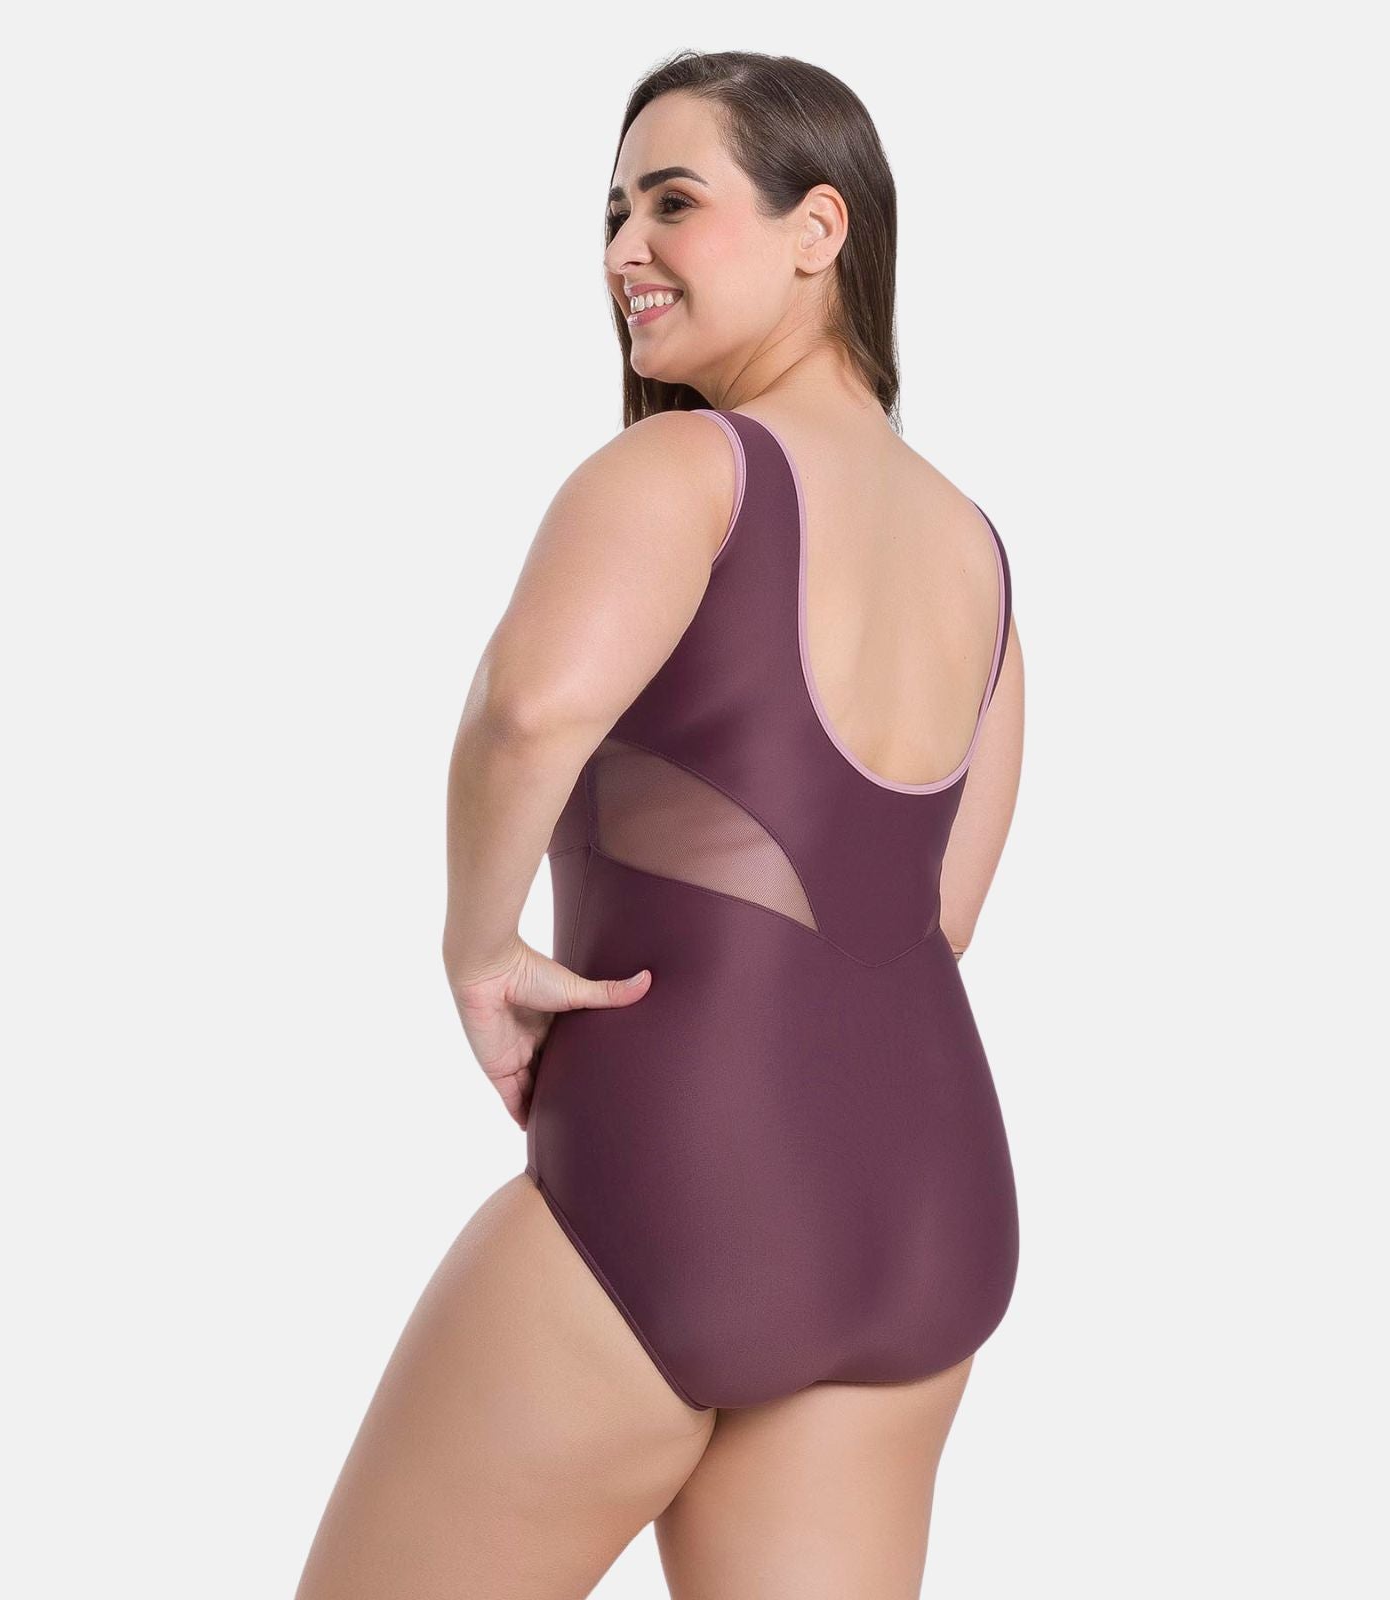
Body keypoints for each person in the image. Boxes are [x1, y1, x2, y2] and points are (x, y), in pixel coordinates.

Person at [295, 49, 1024, 1600]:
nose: (627, 248)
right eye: (614, 212)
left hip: (680, 1178)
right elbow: (942, 917)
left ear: (820, 228)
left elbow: (527, 714)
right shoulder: (978, 552)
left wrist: (480, 948)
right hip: (922, 1202)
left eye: (674, 203)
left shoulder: (688, 470)